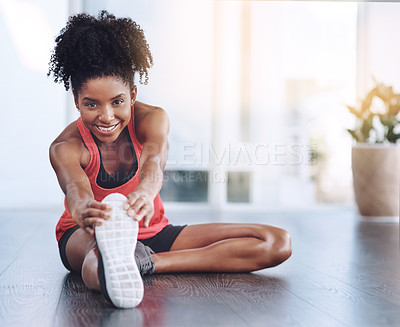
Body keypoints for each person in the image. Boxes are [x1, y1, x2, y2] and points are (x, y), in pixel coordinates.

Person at [48, 11, 292, 308]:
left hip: (153, 231)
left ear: (133, 94)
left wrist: (145, 192)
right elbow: (76, 191)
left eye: (117, 101)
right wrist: (86, 211)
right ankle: (116, 260)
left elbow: (154, 162)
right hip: (86, 233)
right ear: (76, 101)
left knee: (276, 242)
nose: (107, 116)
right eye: (91, 104)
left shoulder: (152, 119)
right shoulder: (66, 146)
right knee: (95, 263)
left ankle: (149, 264)